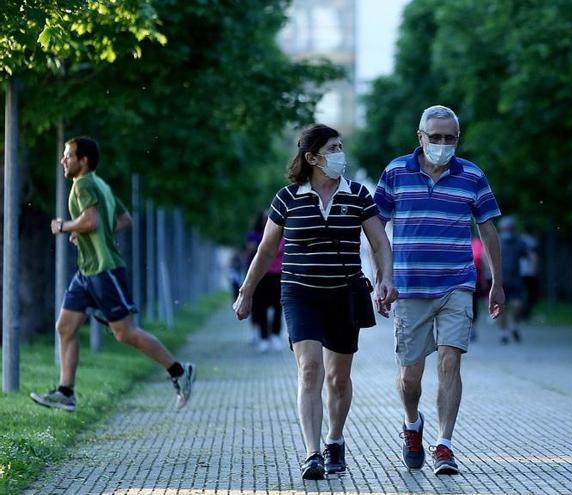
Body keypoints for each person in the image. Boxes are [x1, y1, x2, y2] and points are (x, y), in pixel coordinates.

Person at [233, 124, 397, 480]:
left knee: (338, 378)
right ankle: (312, 453)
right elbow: (266, 249)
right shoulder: (287, 198)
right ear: (312, 158)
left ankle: (334, 439)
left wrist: (386, 278)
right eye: (333, 148)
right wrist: (246, 291)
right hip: (300, 293)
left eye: (340, 147)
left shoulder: (358, 195)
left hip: (344, 294)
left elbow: (379, 243)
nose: (341, 154)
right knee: (310, 370)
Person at [373, 105, 504, 476]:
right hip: (409, 287)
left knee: (450, 360)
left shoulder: (472, 175)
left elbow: (488, 229)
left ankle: (444, 444)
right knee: (410, 376)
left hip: (456, 284)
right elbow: (376, 227)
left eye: (450, 138)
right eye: (436, 137)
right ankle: (412, 423)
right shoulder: (396, 172)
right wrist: (383, 276)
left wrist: (496, 281)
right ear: (421, 137)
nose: (443, 144)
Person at [30, 137, 195, 413]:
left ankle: (179, 371)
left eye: (68, 156)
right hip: (87, 270)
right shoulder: (101, 185)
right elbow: (124, 219)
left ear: (83, 161)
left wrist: (65, 226)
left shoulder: (84, 184)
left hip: (104, 269)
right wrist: (88, 232)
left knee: (125, 333)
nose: (63, 161)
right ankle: (65, 392)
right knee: (65, 327)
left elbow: (91, 220)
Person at [246, 210, 284, 352]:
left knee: (278, 306)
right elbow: (250, 251)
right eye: (265, 219)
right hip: (261, 275)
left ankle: (275, 334)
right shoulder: (255, 235)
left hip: (278, 275)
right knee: (260, 307)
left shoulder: (282, 235)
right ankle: (263, 337)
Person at [497, 216, 528, 344]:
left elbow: (526, 257)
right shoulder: (497, 241)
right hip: (500, 280)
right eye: (506, 227)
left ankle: (514, 325)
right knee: (501, 308)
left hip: (515, 280)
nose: (508, 230)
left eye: (510, 227)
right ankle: (504, 333)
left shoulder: (520, 242)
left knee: (517, 305)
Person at [518, 228, 540, 321]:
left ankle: (522, 313)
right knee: (530, 294)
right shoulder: (531, 241)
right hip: (528, 272)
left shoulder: (519, 240)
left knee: (524, 294)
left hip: (521, 272)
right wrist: (534, 269)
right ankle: (525, 313)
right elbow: (534, 257)